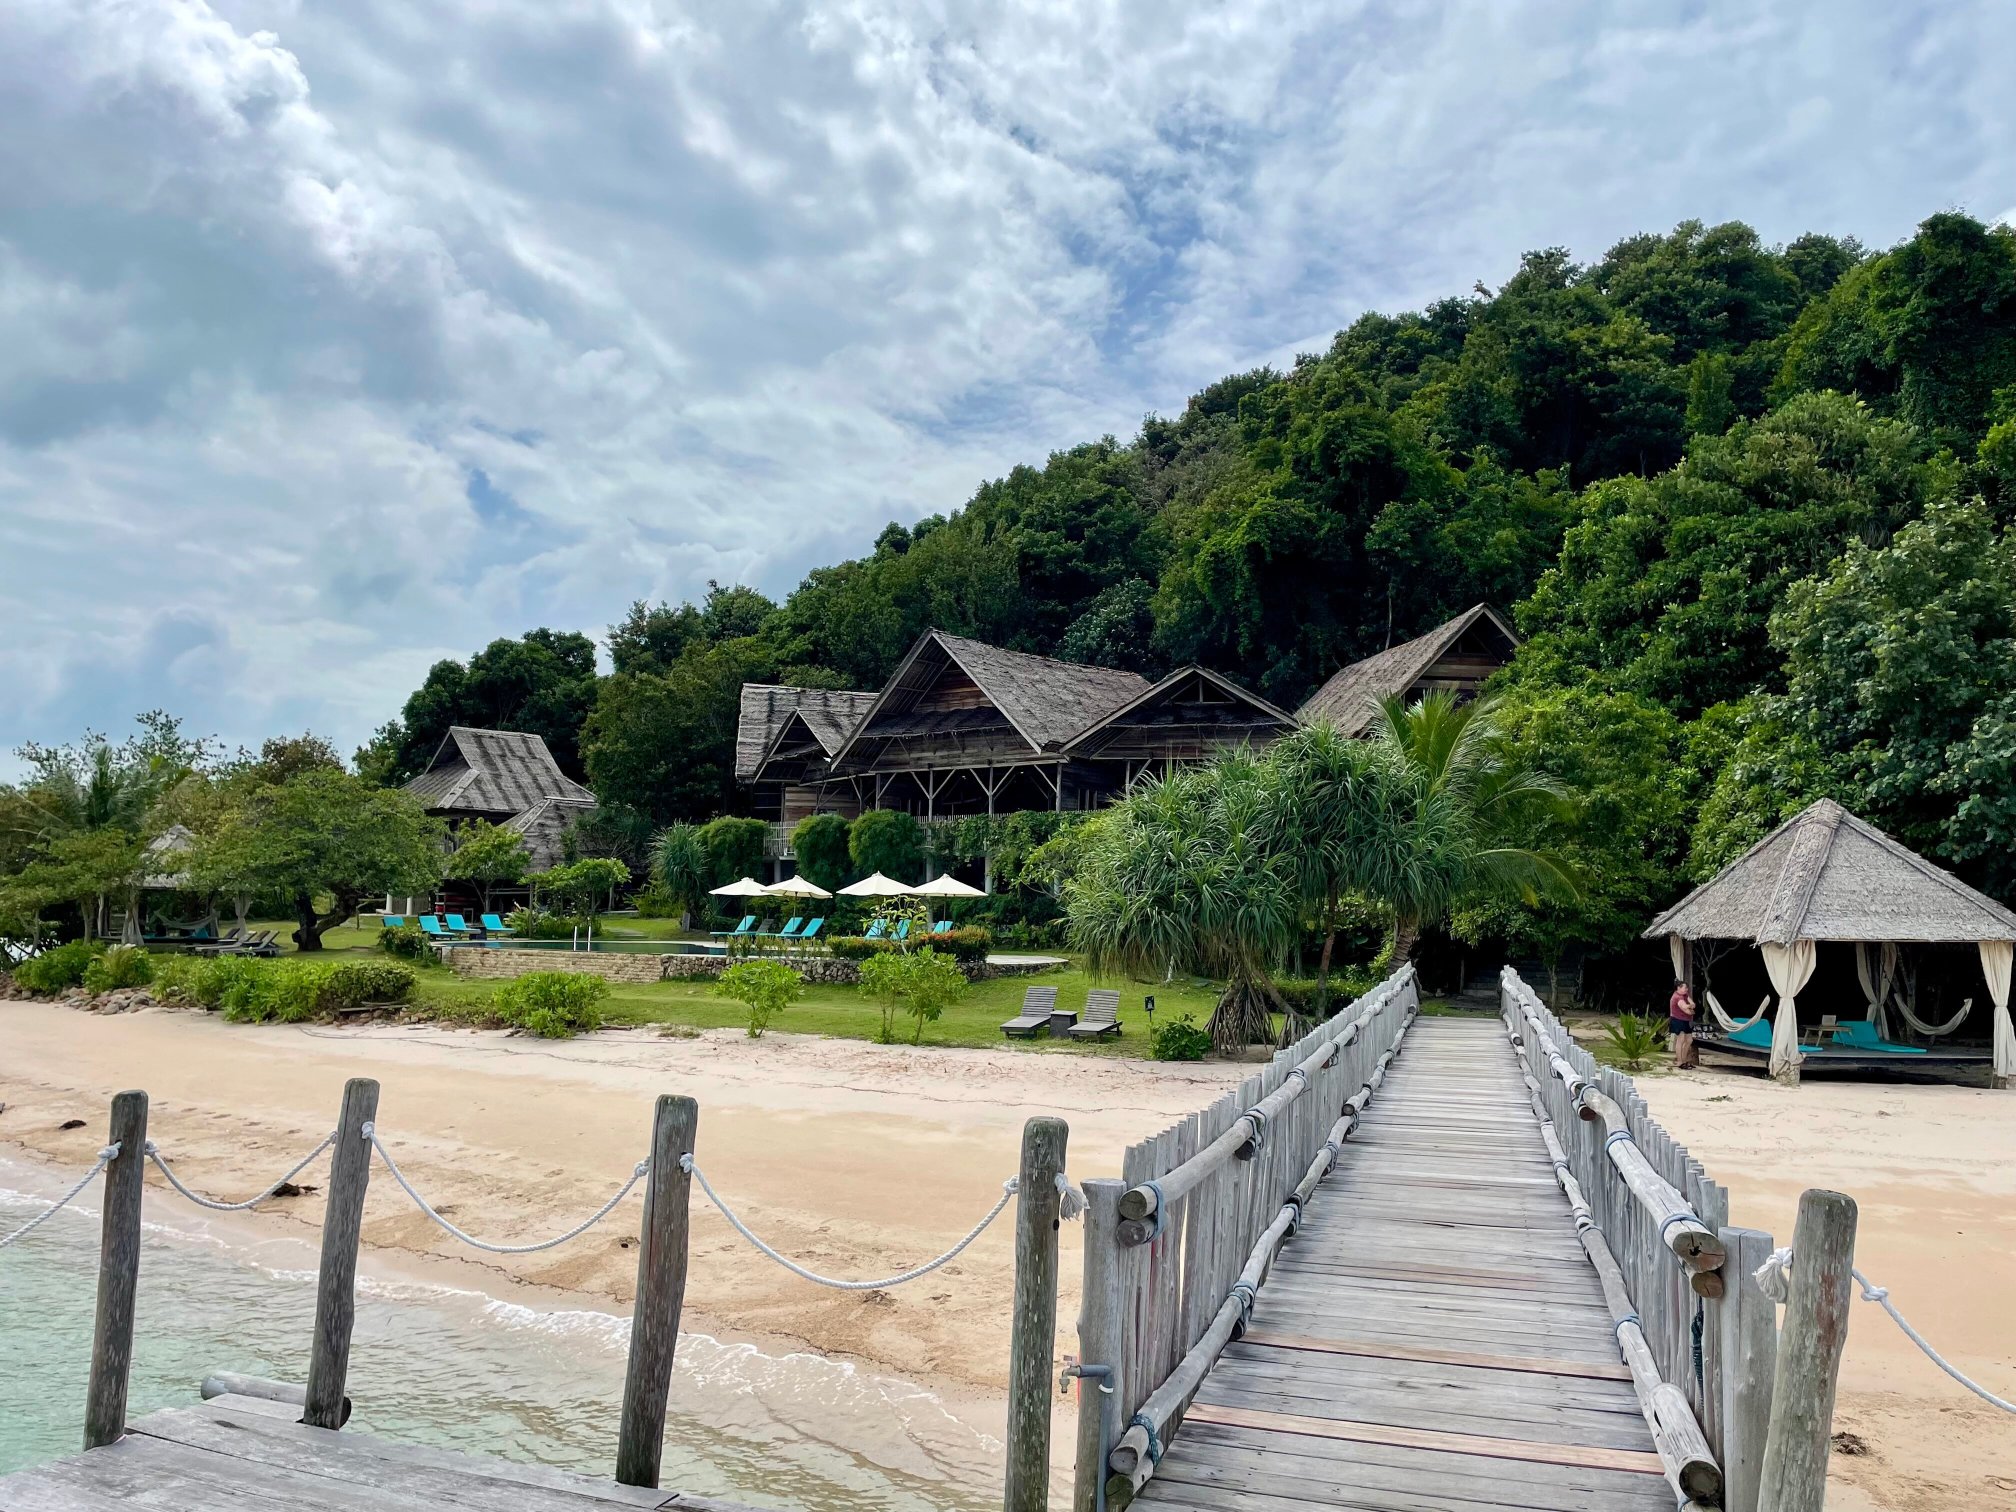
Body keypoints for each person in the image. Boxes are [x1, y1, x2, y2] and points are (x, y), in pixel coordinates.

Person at [1668, 979, 1698, 1069]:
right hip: (1677, 1020)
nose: (1687, 989)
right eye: (1685, 988)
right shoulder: (1677, 997)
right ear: (1678, 988)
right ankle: (1680, 1062)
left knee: (1689, 1040)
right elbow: (1685, 1007)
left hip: (1685, 1020)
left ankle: (1684, 1060)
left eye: (1687, 988)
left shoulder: (1684, 995)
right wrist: (1690, 1007)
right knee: (1680, 1040)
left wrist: (1691, 1007)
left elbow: (1692, 1003)